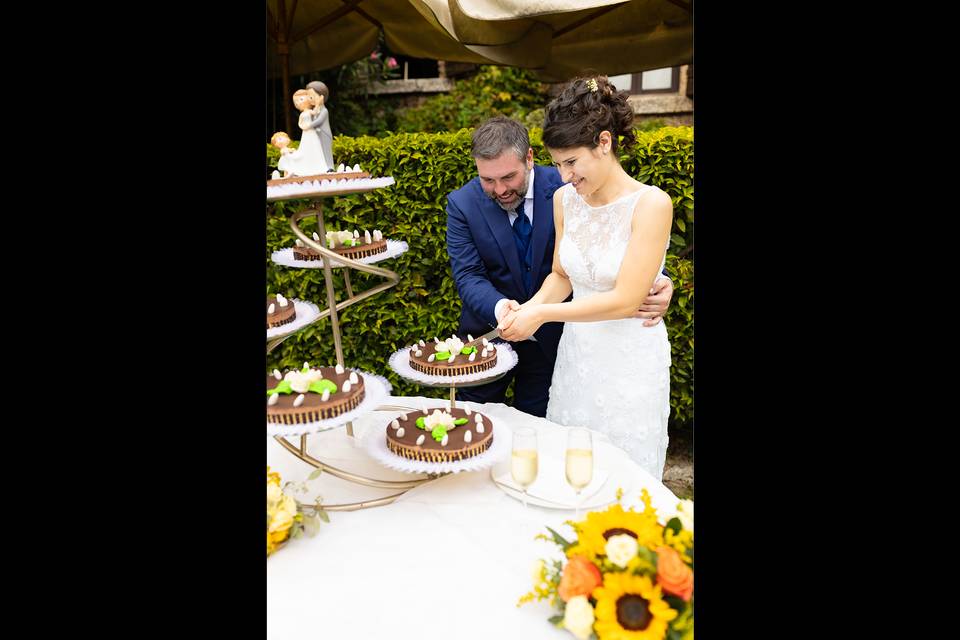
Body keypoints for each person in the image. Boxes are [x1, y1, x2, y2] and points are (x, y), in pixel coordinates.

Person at [497, 77, 675, 479]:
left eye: (571, 162)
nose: (563, 176)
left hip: (630, 362)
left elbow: (626, 301)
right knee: (570, 471)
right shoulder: (564, 201)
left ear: (605, 143)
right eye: (557, 164)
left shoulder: (651, 204)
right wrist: (525, 309)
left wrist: (542, 316)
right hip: (578, 358)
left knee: (624, 480)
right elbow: (562, 274)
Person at [445, 115, 673, 419]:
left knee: (542, 437)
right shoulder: (463, 203)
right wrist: (507, 311)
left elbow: (619, 237)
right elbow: (469, 276)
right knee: (473, 428)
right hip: (491, 335)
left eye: (508, 177)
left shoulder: (573, 186)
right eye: (488, 180)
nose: (499, 189)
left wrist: (660, 280)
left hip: (556, 341)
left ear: (529, 158)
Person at [304, 81, 335, 170]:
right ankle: (321, 167)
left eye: (312, 97)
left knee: (326, 151)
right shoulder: (315, 109)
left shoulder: (324, 110)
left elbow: (319, 121)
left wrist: (309, 125)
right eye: (308, 97)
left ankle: (330, 167)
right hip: (317, 134)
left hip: (324, 134)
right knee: (318, 151)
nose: (310, 99)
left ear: (321, 97)